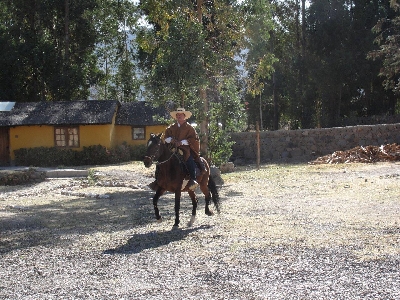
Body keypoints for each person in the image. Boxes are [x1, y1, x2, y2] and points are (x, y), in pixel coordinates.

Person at [148, 107, 206, 191]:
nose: (179, 116)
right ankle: (157, 181)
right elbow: (165, 137)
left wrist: (182, 142)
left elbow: (194, 140)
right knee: (161, 161)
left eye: (181, 115)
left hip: (185, 149)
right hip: (171, 148)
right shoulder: (171, 127)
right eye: (177, 115)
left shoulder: (189, 128)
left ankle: (193, 180)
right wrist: (171, 140)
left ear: (184, 116)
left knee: (188, 159)